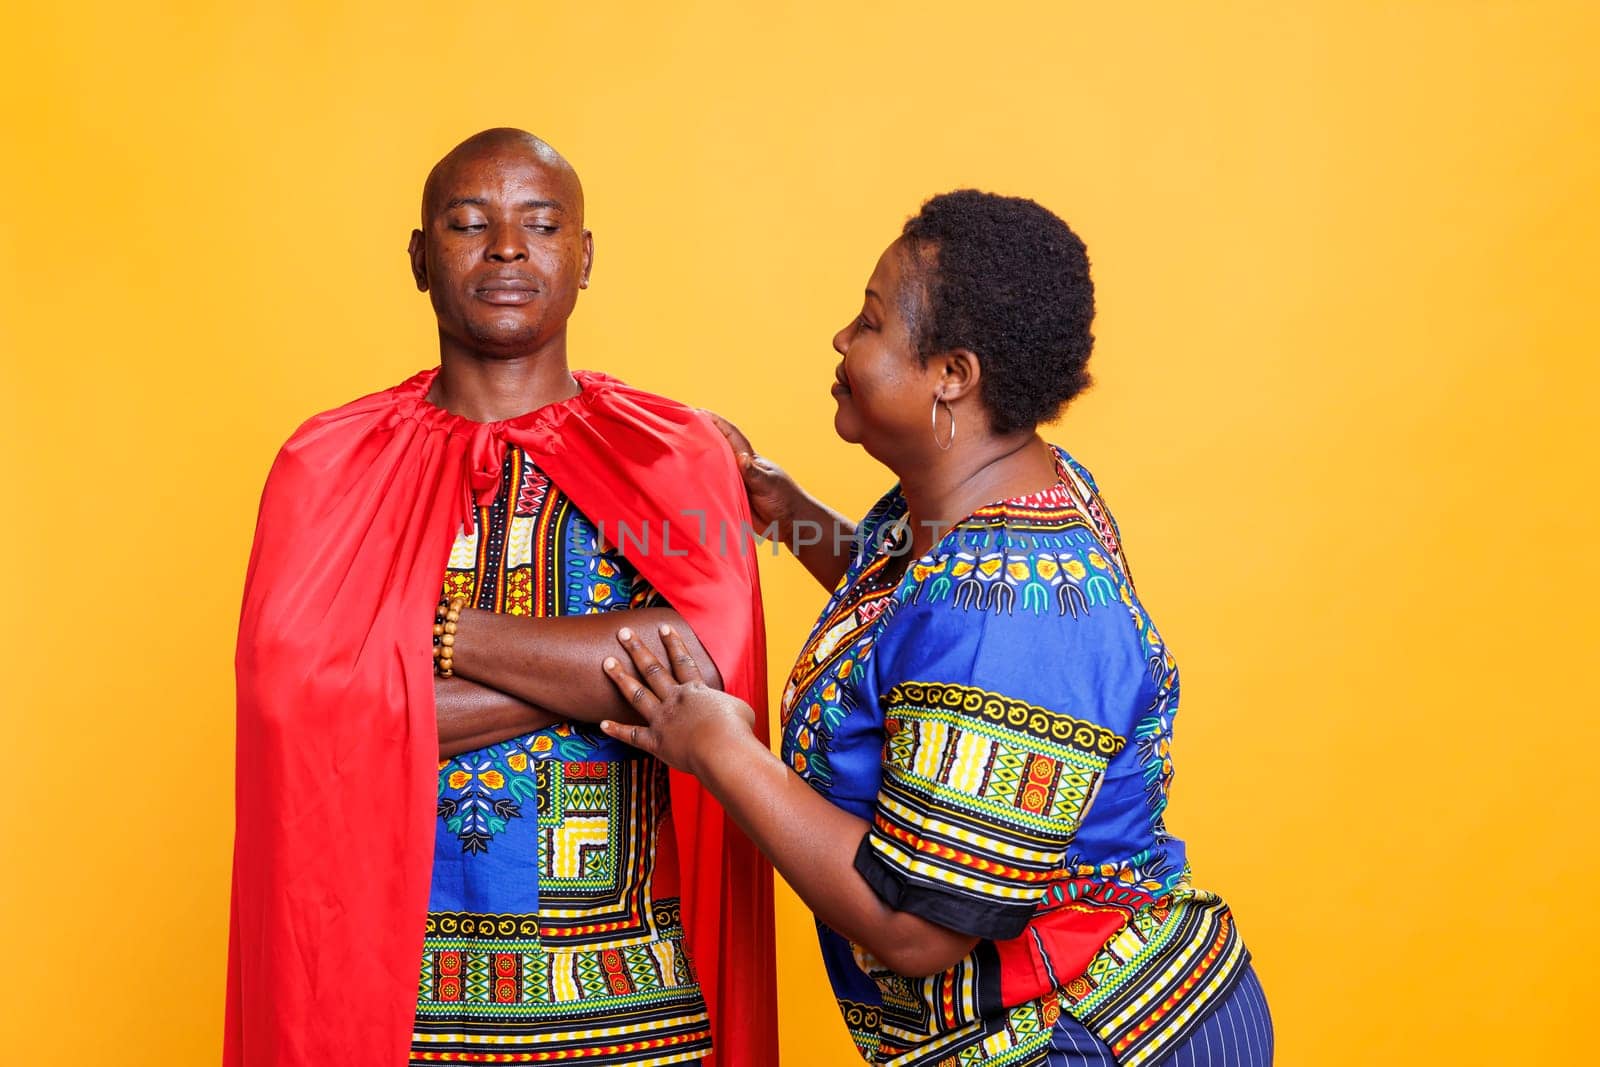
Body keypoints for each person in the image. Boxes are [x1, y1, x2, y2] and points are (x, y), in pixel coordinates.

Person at [598, 190, 1273, 1065]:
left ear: (953, 373)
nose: (843, 340)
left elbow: (918, 926)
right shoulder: (988, 500)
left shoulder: (1009, 614)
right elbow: (911, 632)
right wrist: (787, 510)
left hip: (1085, 1037)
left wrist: (719, 747)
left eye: (871, 323)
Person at [226, 129, 775, 1067]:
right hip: (394, 1010)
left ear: (585, 255)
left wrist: (430, 638)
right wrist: (607, 679)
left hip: (633, 1006)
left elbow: (714, 662)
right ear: (418, 258)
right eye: (470, 223)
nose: (507, 248)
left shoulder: (667, 452)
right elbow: (302, 715)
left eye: (541, 223)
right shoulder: (331, 464)